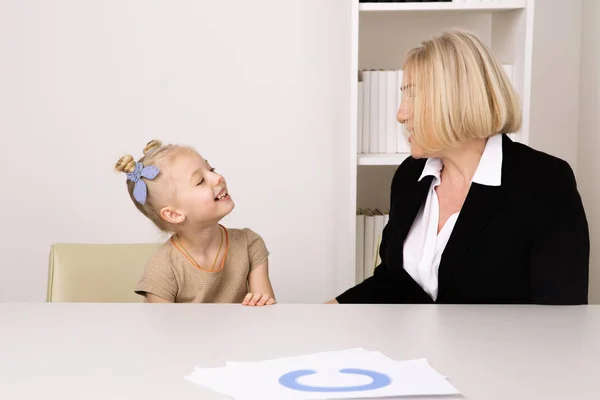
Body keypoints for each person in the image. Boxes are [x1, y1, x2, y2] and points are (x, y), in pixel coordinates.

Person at [328, 29, 589, 305]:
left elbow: (562, 318)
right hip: (406, 348)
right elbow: (391, 282)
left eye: (412, 96)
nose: (401, 114)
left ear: (456, 99)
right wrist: (320, 316)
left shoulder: (545, 183)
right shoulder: (410, 176)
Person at [115, 140, 276, 305]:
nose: (217, 177)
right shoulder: (162, 269)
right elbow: (163, 328)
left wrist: (260, 303)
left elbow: (265, 314)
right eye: (200, 181)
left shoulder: (249, 244)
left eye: (211, 169)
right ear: (174, 214)